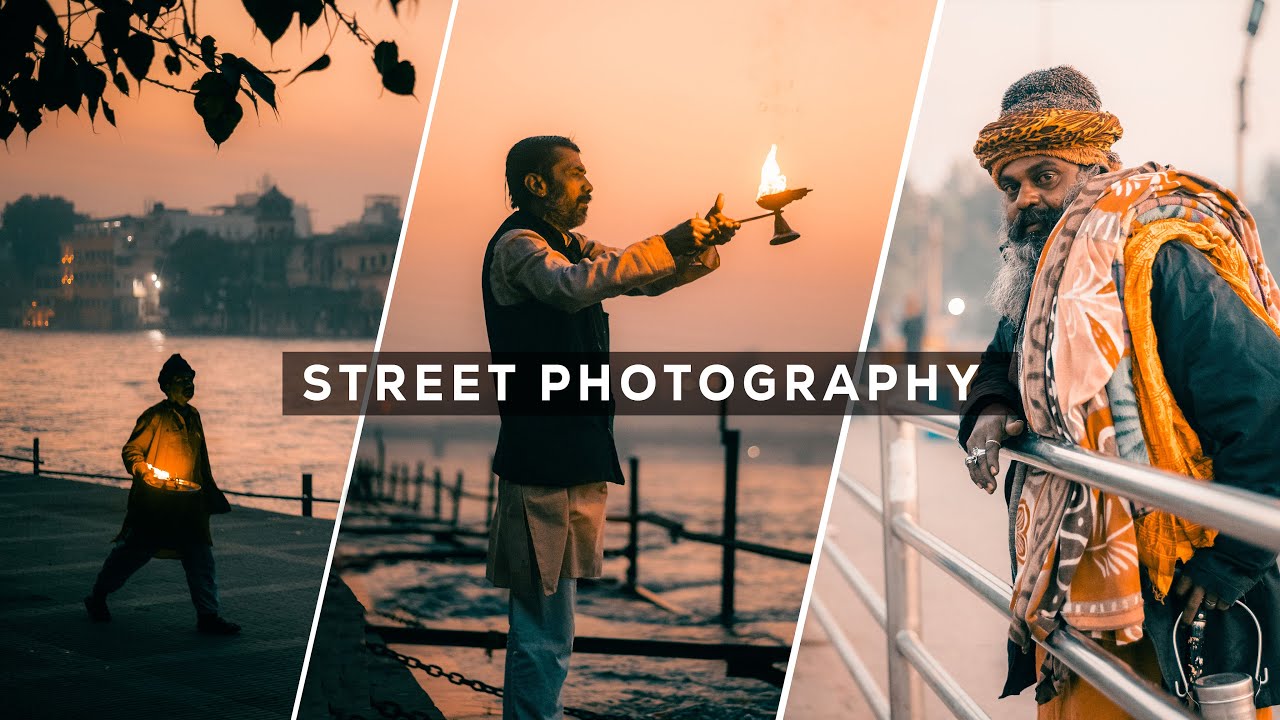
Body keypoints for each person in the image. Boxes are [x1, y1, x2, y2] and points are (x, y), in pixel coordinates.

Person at [957, 67, 1280, 718]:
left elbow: (1266, 408)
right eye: (1010, 185)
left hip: (1182, 598)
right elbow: (1003, 361)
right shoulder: (1040, 275)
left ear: (1096, 170)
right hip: (1079, 601)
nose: (1025, 200)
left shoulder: (1159, 259)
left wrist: (1228, 565)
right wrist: (991, 408)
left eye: (1044, 176)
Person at [482, 135, 738, 720]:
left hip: (574, 452)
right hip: (540, 454)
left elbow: (636, 276)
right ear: (536, 185)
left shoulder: (571, 244)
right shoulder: (519, 247)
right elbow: (574, 287)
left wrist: (696, 246)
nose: (589, 184)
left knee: (554, 623)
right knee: (543, 627)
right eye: (575, 173)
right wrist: (672, 241)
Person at [84, 353, 241, 635]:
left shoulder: (194, 417)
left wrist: (208, 495)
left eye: (190, 380)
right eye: (181, 381)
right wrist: (142, 471)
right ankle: (98, 597)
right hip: (156, 505)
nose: (188, 385)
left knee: (201, 558)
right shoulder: (154, 416)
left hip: (189, 506)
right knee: (131, 554)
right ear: (167, 386)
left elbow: (201, 460)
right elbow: (131, 450)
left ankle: (208, 616)